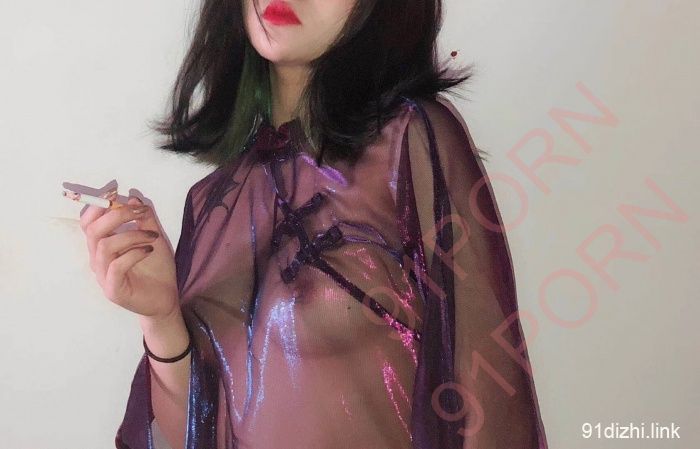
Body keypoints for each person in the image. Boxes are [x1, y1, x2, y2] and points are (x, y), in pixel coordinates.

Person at [79, 0, 549, 448]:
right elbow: (193, 433)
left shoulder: (409, 145)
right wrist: (161, 318)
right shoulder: (211, 203)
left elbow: (490, 393)